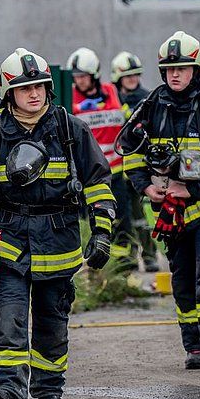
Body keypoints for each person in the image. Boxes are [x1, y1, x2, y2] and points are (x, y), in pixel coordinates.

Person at [0, 48, 116, 399]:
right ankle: (9, 389)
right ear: (8, 93)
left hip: (59, 239)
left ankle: (49, 389)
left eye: (40, 86)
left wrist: (102, 231)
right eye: (25, 88)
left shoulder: (70, 130)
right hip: (9, 236)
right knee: (9, 317)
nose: (35, 94)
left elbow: (97, 183)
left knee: (51, 321)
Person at [121, 30, 200, 370]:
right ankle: (193, 347)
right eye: (169, 68)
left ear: (197, 70)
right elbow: (130, 152)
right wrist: (145, 186)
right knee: (183, 279)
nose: (175, 74)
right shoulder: (150, 107)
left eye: (183, 68)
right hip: (171, 213)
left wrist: (192, 188)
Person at [67, 47, 134, 264]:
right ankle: (95, 270)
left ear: (94, 75)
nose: (80, 81)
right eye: (76, 77)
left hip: (114, 173)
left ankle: (124, 267)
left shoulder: (111, 91)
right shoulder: (71, 98)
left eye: (83, 76)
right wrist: (77, 107)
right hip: (86, 176)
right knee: (89, 222)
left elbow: (124, 120)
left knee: (122, 221)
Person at [112, 50, 158, 271]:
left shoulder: (147, 99)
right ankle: (128, 259)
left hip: (141, 168)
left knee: (143, 217)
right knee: (124, 218)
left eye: (135, 75)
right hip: (119, 171)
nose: (132, 79)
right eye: (128, 76)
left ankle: (149, 256)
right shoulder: (113, 101)